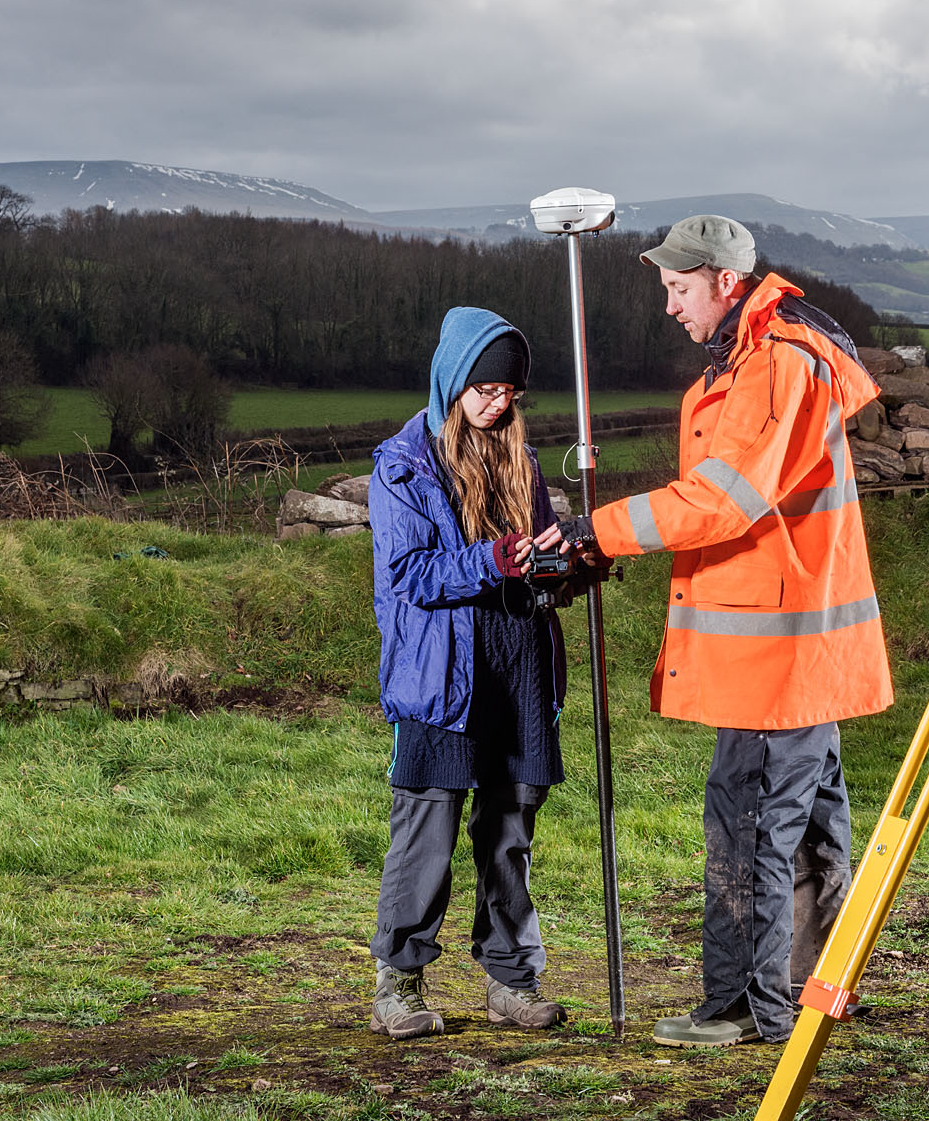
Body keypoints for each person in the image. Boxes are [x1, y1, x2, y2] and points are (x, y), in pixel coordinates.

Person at [528, 215, 893, 1047]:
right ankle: (810, 988)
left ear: (726, 284)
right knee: (802, 822)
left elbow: (723, 502)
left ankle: (749, 1008)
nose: (668, 306)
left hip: (773, 650)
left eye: (678, 288)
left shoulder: (772, 368)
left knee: (755, 820)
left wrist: (596, 531)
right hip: (793, 645)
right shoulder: (769, 357)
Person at [366, 305, 572, 1040]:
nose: (498, 401)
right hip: (439, 676)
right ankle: (399, 983)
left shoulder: (524, 459)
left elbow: (537, 568)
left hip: (518, 669)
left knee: (510, 829)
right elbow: (410, 574)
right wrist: (494, 559)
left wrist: (565, 570)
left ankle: (511, 983)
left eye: (509, 391)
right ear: (451, 381)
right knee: (427, 834)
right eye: (484, 388)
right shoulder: (402, 466)